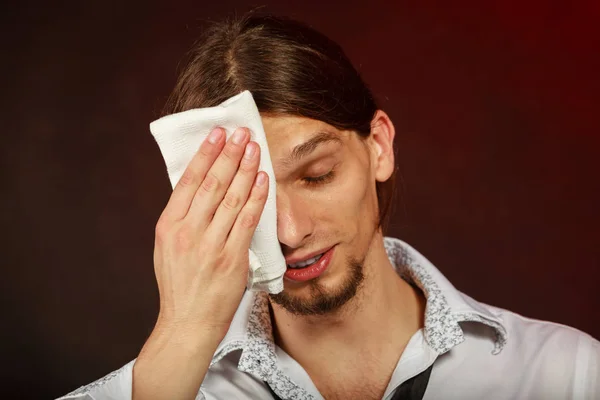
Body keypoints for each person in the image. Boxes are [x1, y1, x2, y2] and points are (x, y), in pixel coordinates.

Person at [59, 14, 599, 400]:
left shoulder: (567, 375)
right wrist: (182, 333)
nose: (290, 232)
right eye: (252, 198)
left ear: (379, 146)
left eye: (317, 175)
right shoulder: (170, 385)